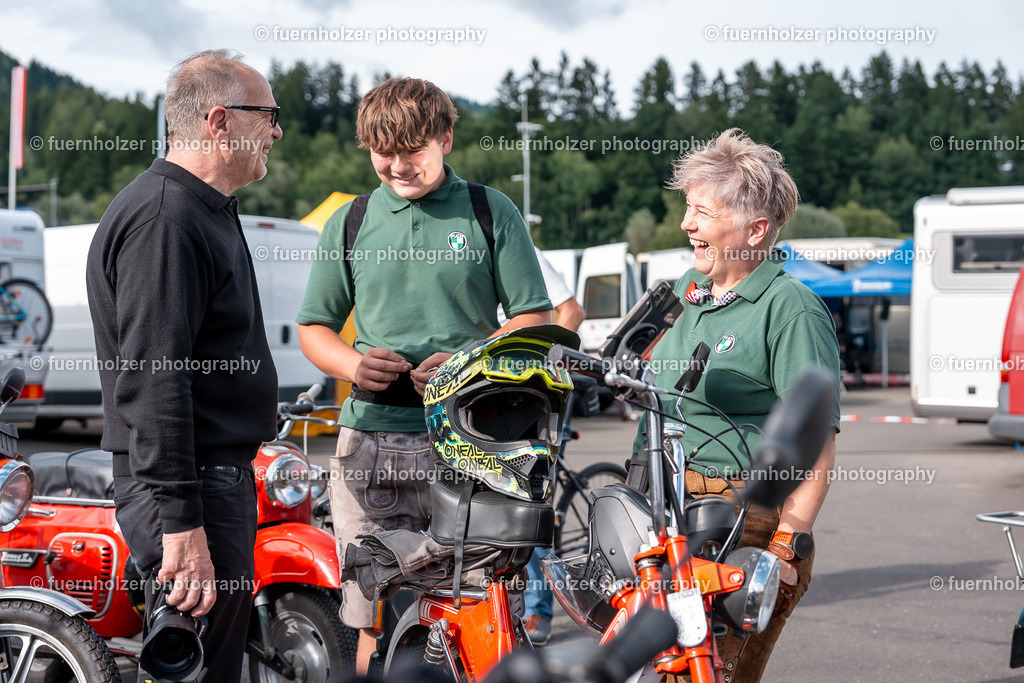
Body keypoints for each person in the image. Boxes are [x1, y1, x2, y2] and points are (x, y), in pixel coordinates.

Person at [296, 77, 554, 673]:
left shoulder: (491, 210)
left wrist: (467, 363)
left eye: (411, 152)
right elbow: (314, 328)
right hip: (370, 443)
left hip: (472, 442)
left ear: (445, 136)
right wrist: (356, 364)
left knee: (476, 616)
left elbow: (533, 318)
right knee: (373, 623)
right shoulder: (351, 221)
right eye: (382, 156)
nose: (396, 167)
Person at [86, 50, 281, 682]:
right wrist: (182, 524)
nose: (276, 132)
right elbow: (154, 381)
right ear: (220, 121)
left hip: (208, 479)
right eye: (269, 116)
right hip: (189, 485)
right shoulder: (166, 218)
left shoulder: (200, 206)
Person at [632, 128, 840, 682]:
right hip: (670, 515)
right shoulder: (682, 294)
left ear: (756, 229)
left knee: (710, 676)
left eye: (701, 211)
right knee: (664, 670)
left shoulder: (791, 309)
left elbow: (817, 443)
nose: (686, 225)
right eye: (687, 208)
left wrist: (784, 546)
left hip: (749, 521)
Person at [498, 247, 585, 646]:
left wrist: (536, 376)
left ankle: (537, 611)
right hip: (488, 402)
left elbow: (572, 312)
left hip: (525, 399)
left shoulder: (520, 249)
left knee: (524, 503)